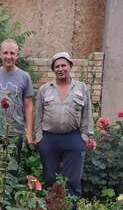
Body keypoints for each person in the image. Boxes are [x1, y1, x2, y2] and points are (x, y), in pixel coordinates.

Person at [33, 52, 94, 196]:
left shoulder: (81, 88)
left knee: (73, 179)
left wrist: (85, 136)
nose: (60, 69)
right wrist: (38, 137)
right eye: (57, 66)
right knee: (50, 178)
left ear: (70, 66)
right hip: (49, 138)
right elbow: (37, 114)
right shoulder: (45, 89)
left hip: (73, 138)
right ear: (53, 69)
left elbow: (87, 113)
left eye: (63, 65)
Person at [0, 39, 34, 152]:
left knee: (12, 168)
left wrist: (28, 132)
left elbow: (28, 106)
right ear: (0, 54)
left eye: (12, 53)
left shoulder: (24, 76)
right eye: (5, 53)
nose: (8, 56)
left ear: (17, 55)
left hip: (15, 131)